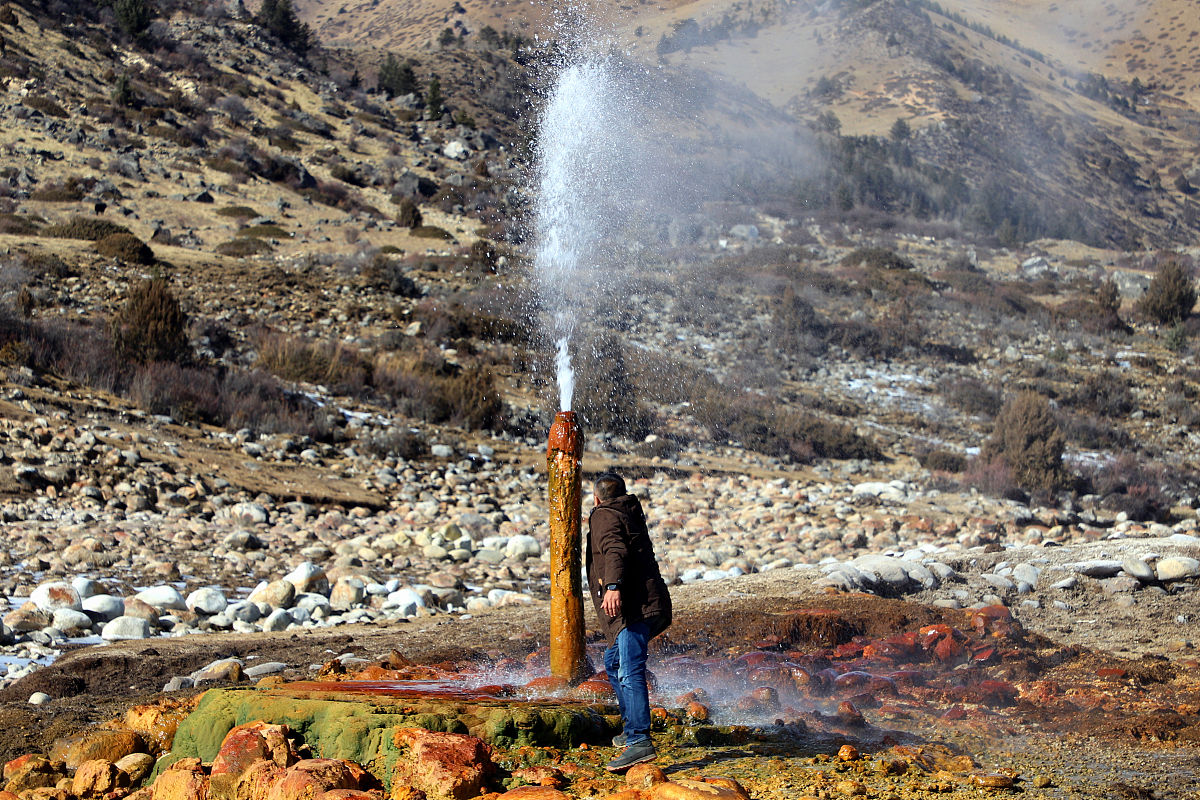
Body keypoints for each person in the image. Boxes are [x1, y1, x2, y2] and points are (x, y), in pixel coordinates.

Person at [586, 471, 672, 773]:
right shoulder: (628, 510)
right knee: (613, 662)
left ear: (596, 498)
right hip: (648, 602)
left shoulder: (604, 515)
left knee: (628, 669)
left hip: (633, 607)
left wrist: (613, 586)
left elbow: (615, 550)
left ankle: (639, 740)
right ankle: (630, 730)